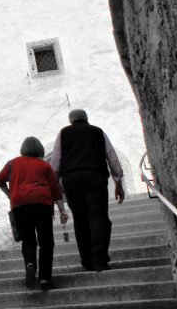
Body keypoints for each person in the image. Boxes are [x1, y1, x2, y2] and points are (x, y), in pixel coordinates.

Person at [50, 109, 125, 272]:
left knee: (80, 220)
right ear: (86, 118)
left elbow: (55, 161)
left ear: (71, 121)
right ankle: (100, 259)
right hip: (95, 177)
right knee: (100, 218)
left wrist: (55, 183)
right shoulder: (98, 132)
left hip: (71, 180)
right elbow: (112, 156)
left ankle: (86, 260)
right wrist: (118, 181)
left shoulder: (63, 134)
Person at [0, 136, 68, 291]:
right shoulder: (44, 165)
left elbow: (0, 179)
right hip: (42, 205)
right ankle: (44, 279)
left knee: (28, 240)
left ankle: (30, 265)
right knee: (46, 243)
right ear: (39, 149)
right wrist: (62, 209)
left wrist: (9, 193)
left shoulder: (12, 164)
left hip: (19, 206)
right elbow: (55, 188)